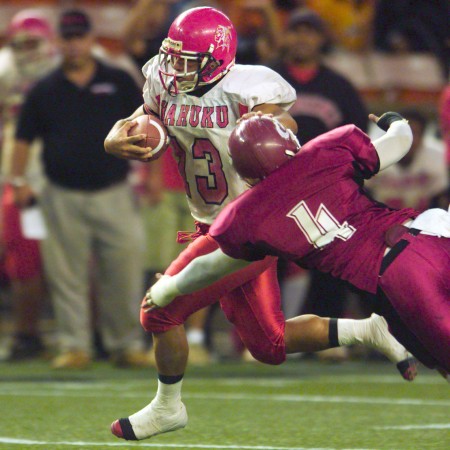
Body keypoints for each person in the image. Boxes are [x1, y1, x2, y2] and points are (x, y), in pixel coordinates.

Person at [104, 7, 416, 441]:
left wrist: (268, 125)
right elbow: (146, 113)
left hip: (248, 229)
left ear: (217, 59)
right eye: (173, 57)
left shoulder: (250, 88)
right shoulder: (164, 75)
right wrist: (117, 133)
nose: (176, 68)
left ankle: (167, 407)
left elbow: (278, 121)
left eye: (187, 61)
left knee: (158, 310)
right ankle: (370, 329)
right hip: (206, 220)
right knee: (269, 346)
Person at [145, 111, 449, 373]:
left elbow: (211, 268)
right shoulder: (326, 150)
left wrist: (168, 288)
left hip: (397, 277)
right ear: (287, 142)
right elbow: (401, 140)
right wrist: (394, 121)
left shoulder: (246, 216)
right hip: (430, 231)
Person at [9, 9, 148, 369]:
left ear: (91, 40)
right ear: (59, 42)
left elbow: (148, 125)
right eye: (67, 38)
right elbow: (23, 139)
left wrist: (155, 177)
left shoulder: (117, 80)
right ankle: (75, 346)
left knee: (124, 271)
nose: (74, 44)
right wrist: (19, 180)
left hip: (114, 190)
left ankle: (125, 344)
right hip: (61, 194)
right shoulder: (44, 89)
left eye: (79, 37)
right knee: (66, 274)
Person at [271, 7, 370, 357]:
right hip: (273, 187)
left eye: (310, 32)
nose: (302, 39)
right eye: (296, 31)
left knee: (333, 260)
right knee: (265, 263)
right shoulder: (268, 81)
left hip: (327, 189)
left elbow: (359, 137)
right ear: (286, 36)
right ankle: (266, 334)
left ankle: (327, 336)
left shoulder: (339, 86)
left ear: (321, 39)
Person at [0, 9, 58, 360]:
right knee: (24, 260)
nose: (27, 50)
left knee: (77, 263)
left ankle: (87, 335)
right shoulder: (6, 69)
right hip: (23, 185)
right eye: (20, 43)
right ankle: (27, 333)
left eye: (33, 42)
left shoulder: (62, 70)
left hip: (61, 182)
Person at [366, 109, 448, 211]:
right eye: (404, 132)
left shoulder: (437, 155)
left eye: (414, 133)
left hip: (422, 221)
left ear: (423, 137)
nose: (409, 138)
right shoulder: (373, 153)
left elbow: (441, 198)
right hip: (380, 219)